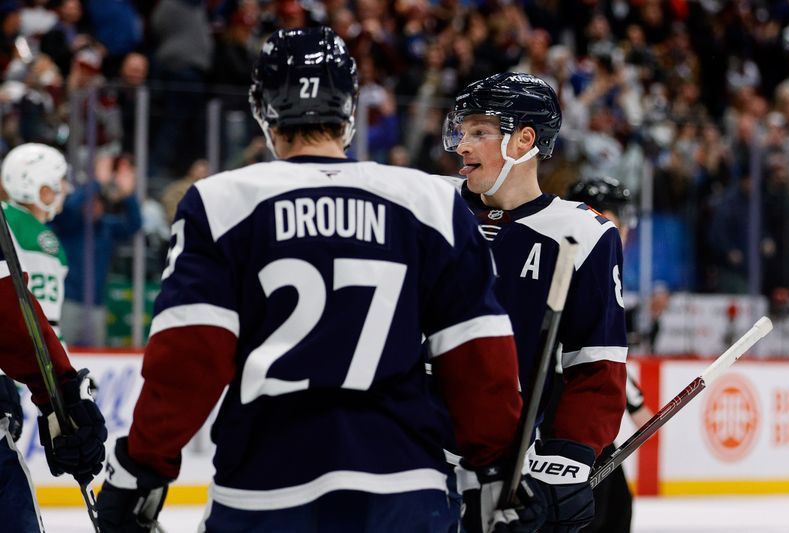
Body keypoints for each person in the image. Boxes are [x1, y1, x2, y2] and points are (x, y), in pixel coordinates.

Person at [95, 26, 540, 533]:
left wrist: (142, 467)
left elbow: (189, 357)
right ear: (350, 110)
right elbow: (478, 357)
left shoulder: (222, 202)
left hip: (265, 489)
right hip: (405, 491)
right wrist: (496, 470)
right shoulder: (431, 201)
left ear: (263, 110)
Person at [440, 72, 628, 532]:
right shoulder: (426, 208)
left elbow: (596, 366)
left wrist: (567, 456)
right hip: (401, 456)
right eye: (461, 131)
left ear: (524, 140)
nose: (462, 145)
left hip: (497, 476)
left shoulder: (585, 235)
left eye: (480, 132)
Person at [0, 142, 108, 532]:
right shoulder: (41, 238)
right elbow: (22, 317)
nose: (61, 188)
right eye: (55, 182)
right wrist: (60, 391)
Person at [562, 176, 655, 533]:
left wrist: (632, 399)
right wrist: (634, 401)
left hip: (583, 414)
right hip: (566, 416)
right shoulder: (581, 258)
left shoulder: (594, 257)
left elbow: (601, 346)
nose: (626, 229)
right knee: (600, 515)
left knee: (615, 507)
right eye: (620, 217)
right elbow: (585, 345)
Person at [50, 152, 142, 347]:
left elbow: (134, 225)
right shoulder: (70, 225)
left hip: (96, 305)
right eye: (90, 202)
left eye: (98, 202)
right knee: (61, 352)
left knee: (94, 356)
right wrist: (96, 183)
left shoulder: (107, 226)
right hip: (69, 302)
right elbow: (68, 209)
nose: (94, 206)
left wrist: (128, 196)